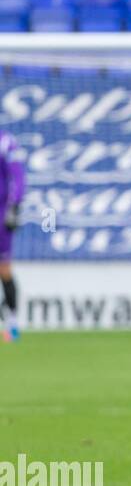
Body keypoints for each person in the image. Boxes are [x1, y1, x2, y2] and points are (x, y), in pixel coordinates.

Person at [0, 129, 23, 342]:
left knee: (4, 269)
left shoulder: (5, 141)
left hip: (0, 215)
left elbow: (17, 175)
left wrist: (14, 206)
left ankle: (12, 325)